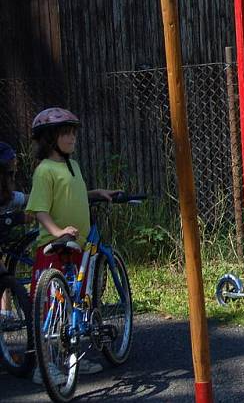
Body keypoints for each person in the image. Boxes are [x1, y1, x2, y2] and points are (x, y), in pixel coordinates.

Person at [24, 108, 118, 381]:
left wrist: (96, 193)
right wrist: (57, 232)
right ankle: (45, 365)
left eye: (74, 132)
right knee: (51, 308)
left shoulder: (72, 166)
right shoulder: (44, 171)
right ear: (51, 138)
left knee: (76, 305)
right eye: (67, 133)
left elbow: (72, 193)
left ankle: (74, 357)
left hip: (79, 247)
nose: (73, 138)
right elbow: (39, 210)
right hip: (55, 248)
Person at [0, 141, 29, 321]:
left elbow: (30, 199)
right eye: (9, 174)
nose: (13, 179)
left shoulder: (8, 198)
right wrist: (19, 217)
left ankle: (5, 313)